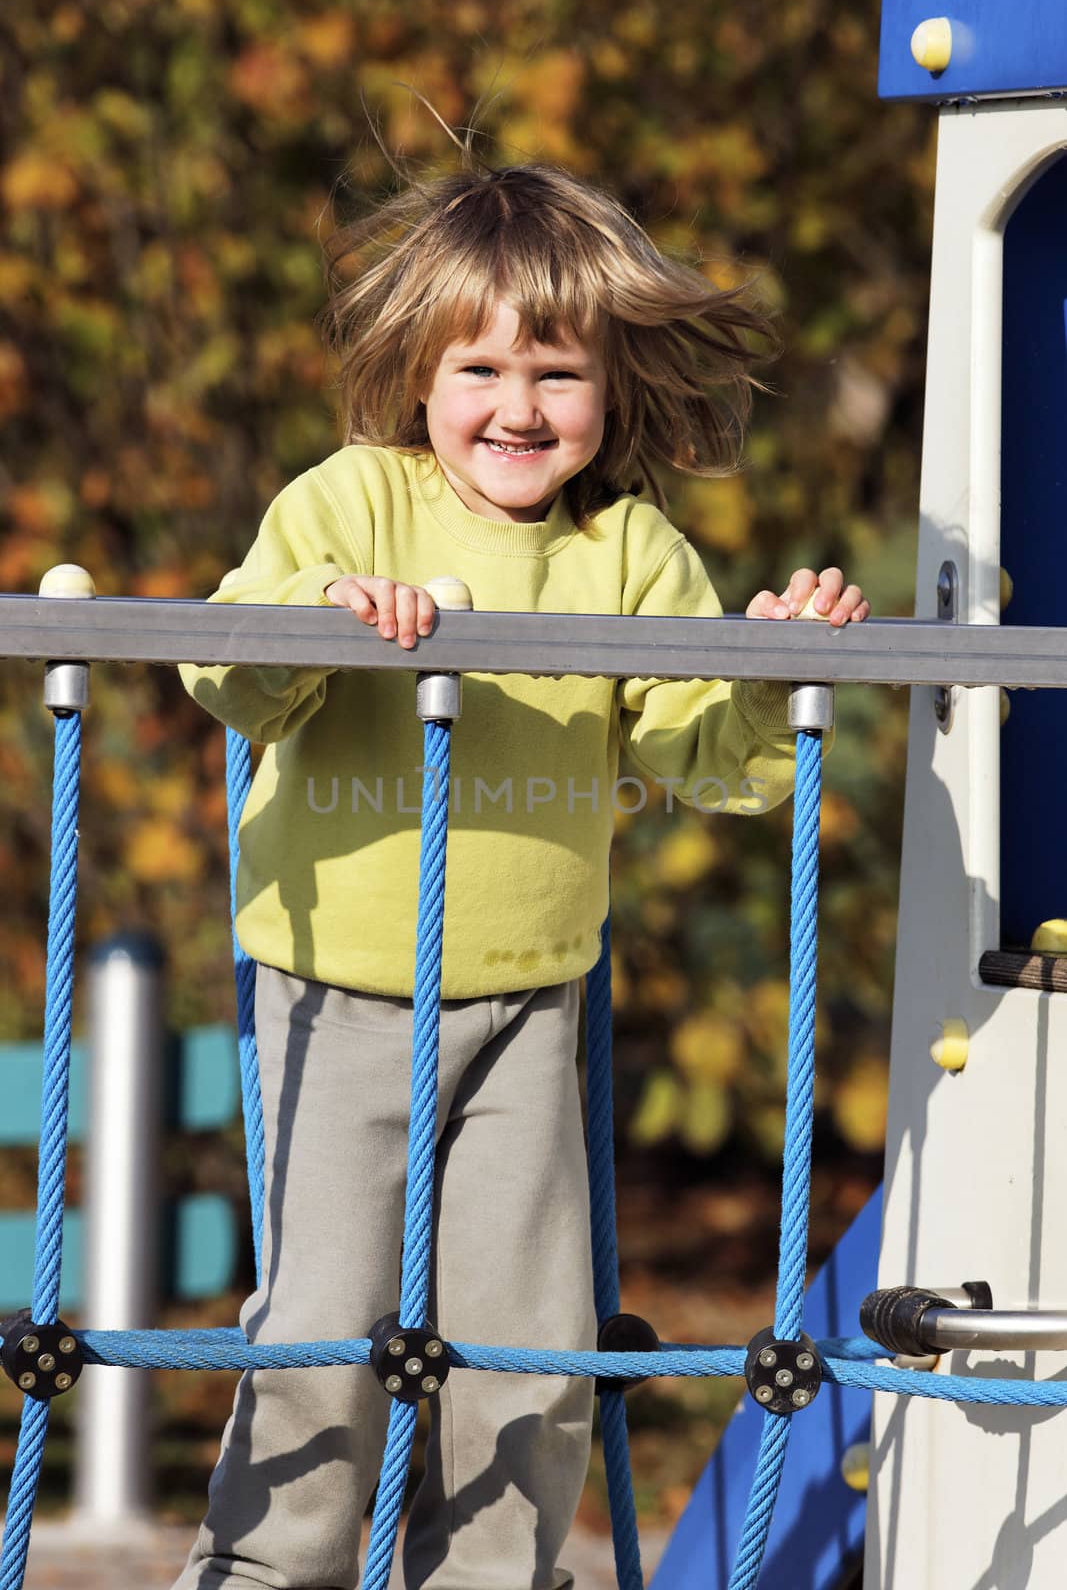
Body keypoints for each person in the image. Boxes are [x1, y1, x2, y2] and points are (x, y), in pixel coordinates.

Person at [174, 156, 869, 1590]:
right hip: (337, 996)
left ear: (609, 386)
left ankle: (494, 1577)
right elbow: (223, 662)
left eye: (555, 373)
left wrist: (777, 664)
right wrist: (326, 615)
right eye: (479, 367)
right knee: (328, 1330)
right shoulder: (352, 502)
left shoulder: (628, 552)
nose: (517, 407)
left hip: (530, 1010)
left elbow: (710, 756)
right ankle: (262, 1571)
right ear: (413, 375)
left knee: (531, 1347)